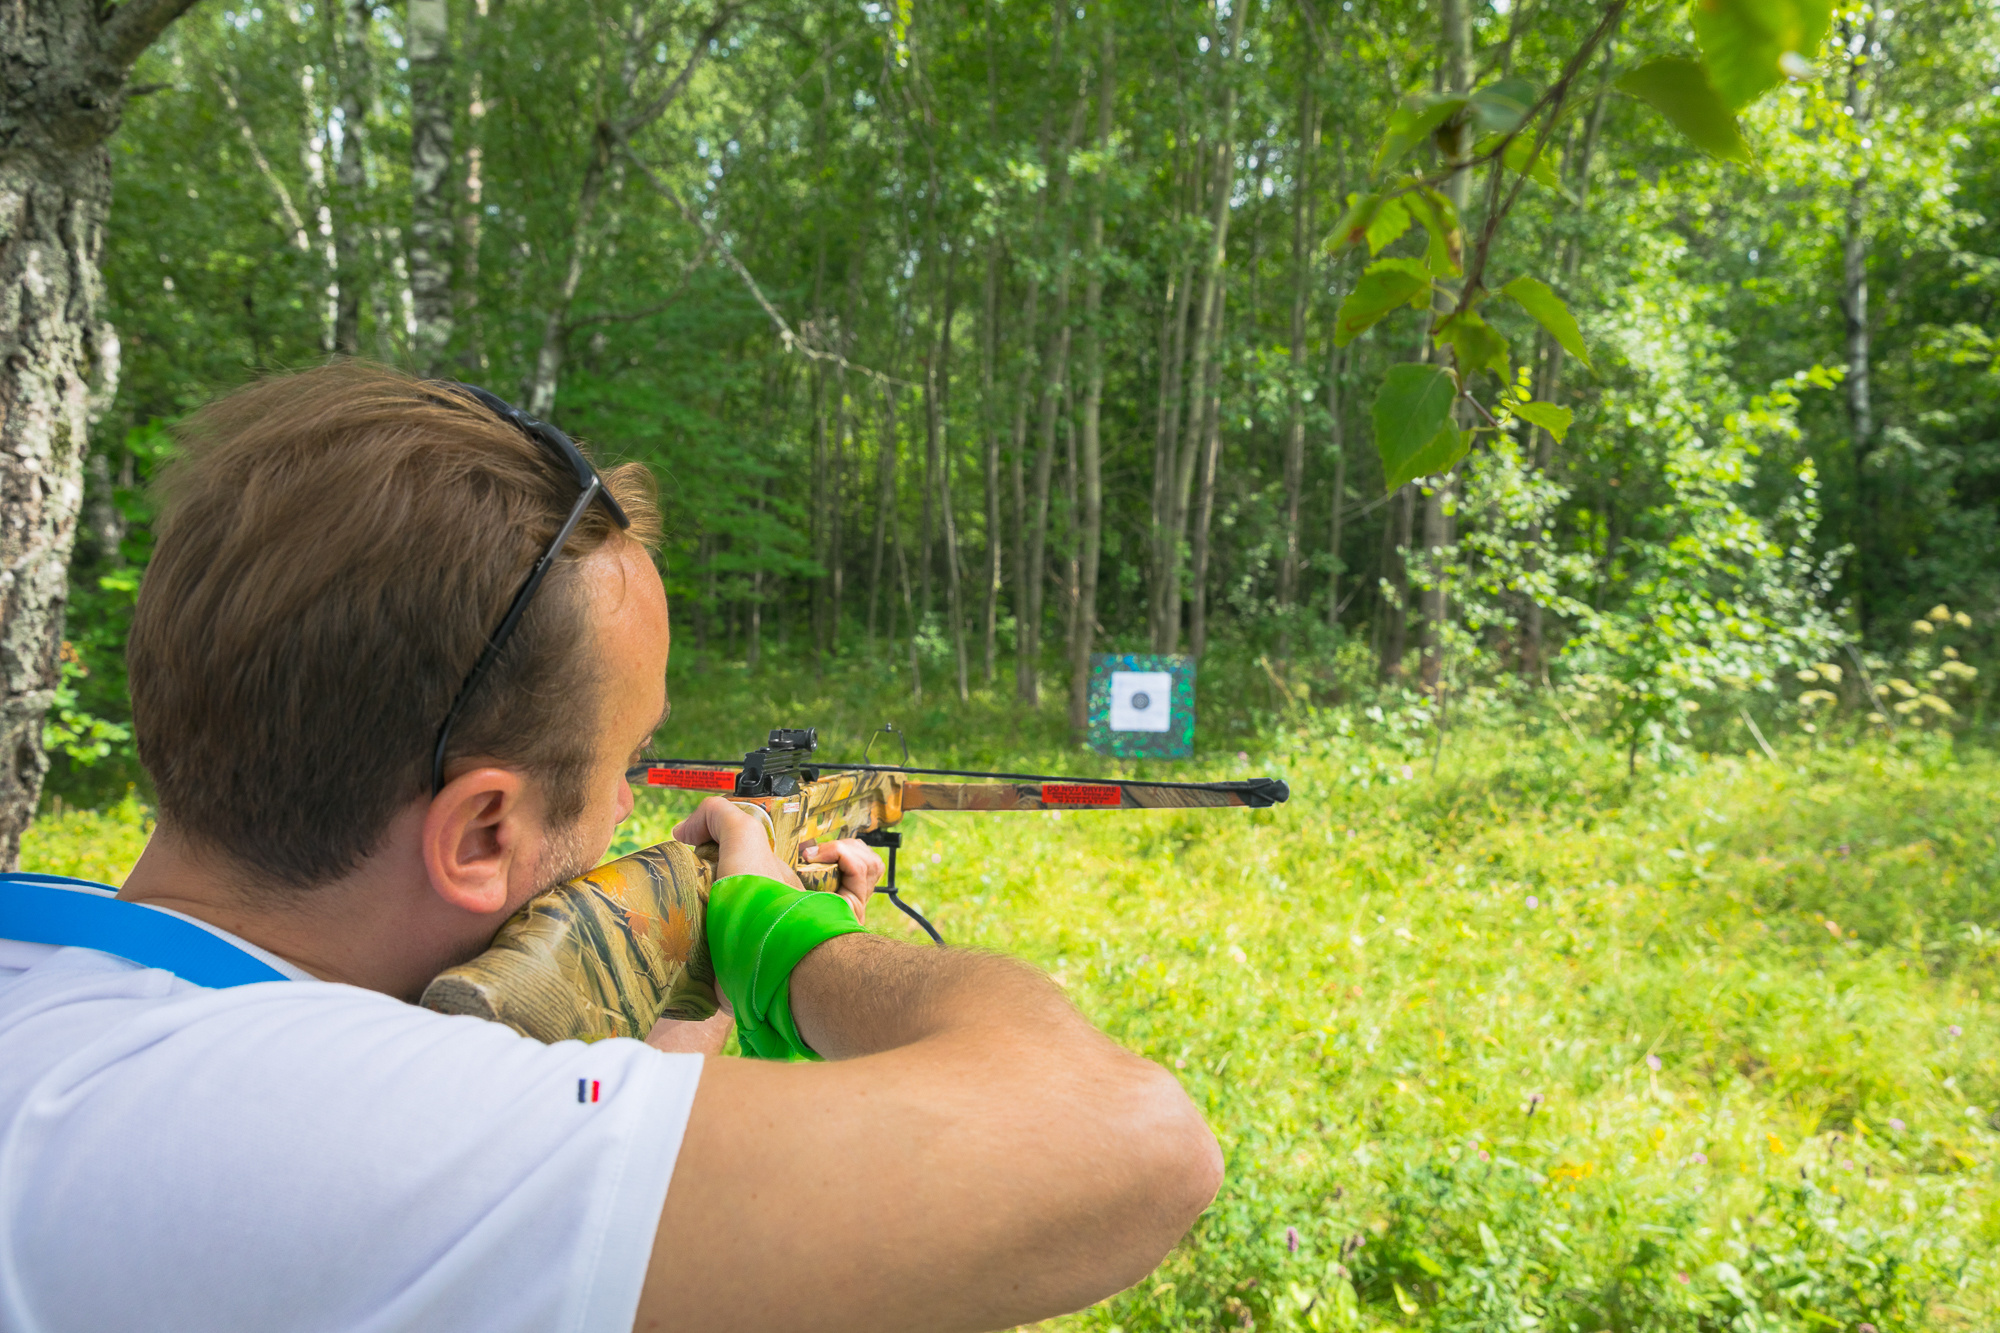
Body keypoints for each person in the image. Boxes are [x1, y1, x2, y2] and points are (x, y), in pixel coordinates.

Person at [0, 361, 1221, 1333]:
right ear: (481, 830)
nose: (631, 808)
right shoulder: (320, 1131)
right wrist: (781, 937)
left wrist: (675, 1015)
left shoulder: (61, 985)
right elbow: (1134, 1147)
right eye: (627, 767)